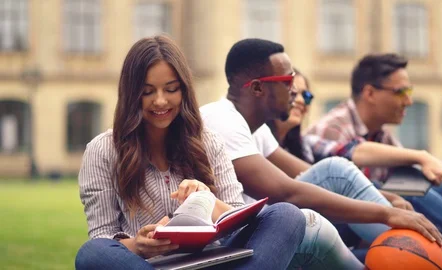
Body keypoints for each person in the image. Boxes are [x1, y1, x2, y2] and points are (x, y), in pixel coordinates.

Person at [200, 38, 442, 269]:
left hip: (270, 229)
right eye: (287, 82)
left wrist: (381, 196)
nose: (295, 92)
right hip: (243, 243)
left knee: (340, 176)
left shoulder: (253, 126)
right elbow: (287, 191)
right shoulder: (222, 120)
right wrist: (387, 213)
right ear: (256, 88)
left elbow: (307, 174)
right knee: (333, 177)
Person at [74, 35, 306, 270]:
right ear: (131, 94)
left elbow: (237, 218)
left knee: (287, 216)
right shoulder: (103, 150)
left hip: (214, 260)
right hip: (147, 265)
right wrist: (138, 245)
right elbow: (103, 237)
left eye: (171, 89)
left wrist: (207, 198)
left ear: (184, 90)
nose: (161, 101)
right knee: (91, 253)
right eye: (147, 92)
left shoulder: (207, 141)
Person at [267, 69, 442, 267]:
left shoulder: (304, 144)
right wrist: (386, 208)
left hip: (346, 221)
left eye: (307, 96)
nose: (300, 101)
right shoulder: (326, 128)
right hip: (318, 227)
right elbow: (350, 153)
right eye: (293, 92)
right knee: (404, 192)